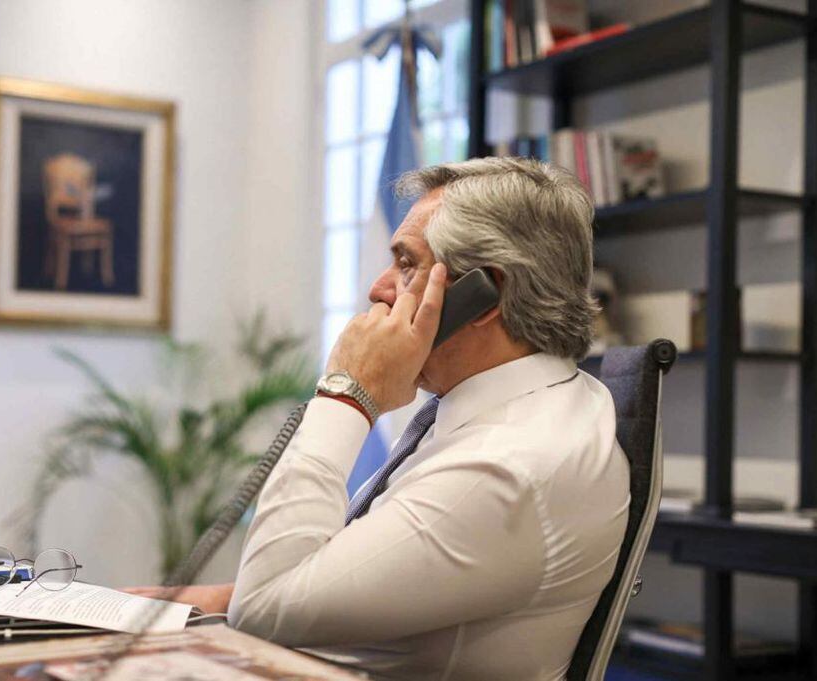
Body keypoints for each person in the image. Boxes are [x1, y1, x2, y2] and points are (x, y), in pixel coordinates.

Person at [128, 158, 630, 680]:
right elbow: (343, 578)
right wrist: (181, 603)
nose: (378, 288)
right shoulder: (542, 400)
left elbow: (263, 614)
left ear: (486, 294)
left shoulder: (506, 467)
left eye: (406, 263)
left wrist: (347, 393)